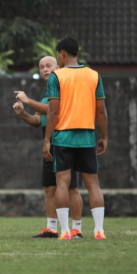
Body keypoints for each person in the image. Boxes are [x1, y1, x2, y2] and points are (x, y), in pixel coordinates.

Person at [43, 36, 108, 241]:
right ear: (77, 53)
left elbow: (52, 112)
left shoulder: (57, 76)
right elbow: (102, 110)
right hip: (87, 137)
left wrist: (47, 140)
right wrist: (104, 136)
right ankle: (99, 230)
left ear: (62, 54)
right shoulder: (94, 75)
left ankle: (64, 231)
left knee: (62, 184)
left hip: (63, 137)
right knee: (93, 185)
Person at [13, 56, 84, 239]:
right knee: (49, 188)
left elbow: (54, 110)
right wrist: (22, 114)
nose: (45, 70)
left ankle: (76, 229)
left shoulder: (64, 86)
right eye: (41, 67)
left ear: (58, 67)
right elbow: (38, 120)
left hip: (66, 142)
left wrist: (27, 100)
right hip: (49, 144)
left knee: (71, 187)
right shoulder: (45, 93)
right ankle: (51, 228)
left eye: (48, 66)